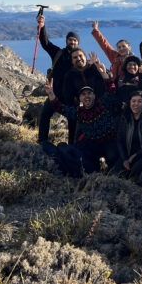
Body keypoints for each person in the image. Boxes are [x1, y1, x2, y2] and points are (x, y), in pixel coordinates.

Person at [43, 73, 119, 177]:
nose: (87, 96)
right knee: (79, 154)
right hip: (92, 145)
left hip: (109, 142)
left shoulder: (102, 104)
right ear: (80, 99)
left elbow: (111, 90)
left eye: (89, 93)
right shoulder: (79, 112)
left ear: (94, 96)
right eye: (83, 94)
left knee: (112, 157)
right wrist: (51, 94)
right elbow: (60, 108)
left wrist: (105, 76)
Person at [35, 14, 80, 144]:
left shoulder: (79, 59)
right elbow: (45, 42)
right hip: (54, 94)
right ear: (67, 41)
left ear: (78, 43)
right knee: (44, 115)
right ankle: (42, 141)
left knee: (73, 121)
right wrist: (41, 26)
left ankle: (72, 145)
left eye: (75, 40)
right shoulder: (58, 53)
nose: (72, 42)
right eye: (70, 40)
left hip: (71, 97)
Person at [60, 48, 107, 144]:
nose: (78, 59)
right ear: (72, 61)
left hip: (101, 107)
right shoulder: (69, 75)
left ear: (85, 57)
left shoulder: (94, 68)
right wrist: (79, 108)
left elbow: (108, 80)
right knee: (76, 136)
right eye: (75, 57)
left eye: (80, 56)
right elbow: (68, 96)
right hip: (81, 110)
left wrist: (103, 70)